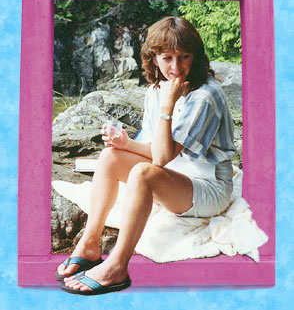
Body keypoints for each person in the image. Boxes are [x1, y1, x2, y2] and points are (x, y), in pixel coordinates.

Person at [57, 16, 237, 295]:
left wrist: (168, 104)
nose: (176, 67)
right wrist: (126, 143)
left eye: (184, 56)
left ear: (196, 56)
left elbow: (162, 158)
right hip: (176, 174)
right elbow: (156, 150)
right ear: (153, 58)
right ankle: (90, 244)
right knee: (110, 156)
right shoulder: (156, 89)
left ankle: (117, 266)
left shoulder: (205, 96)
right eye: (167, 58)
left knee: (142, 174)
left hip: (208, 186)